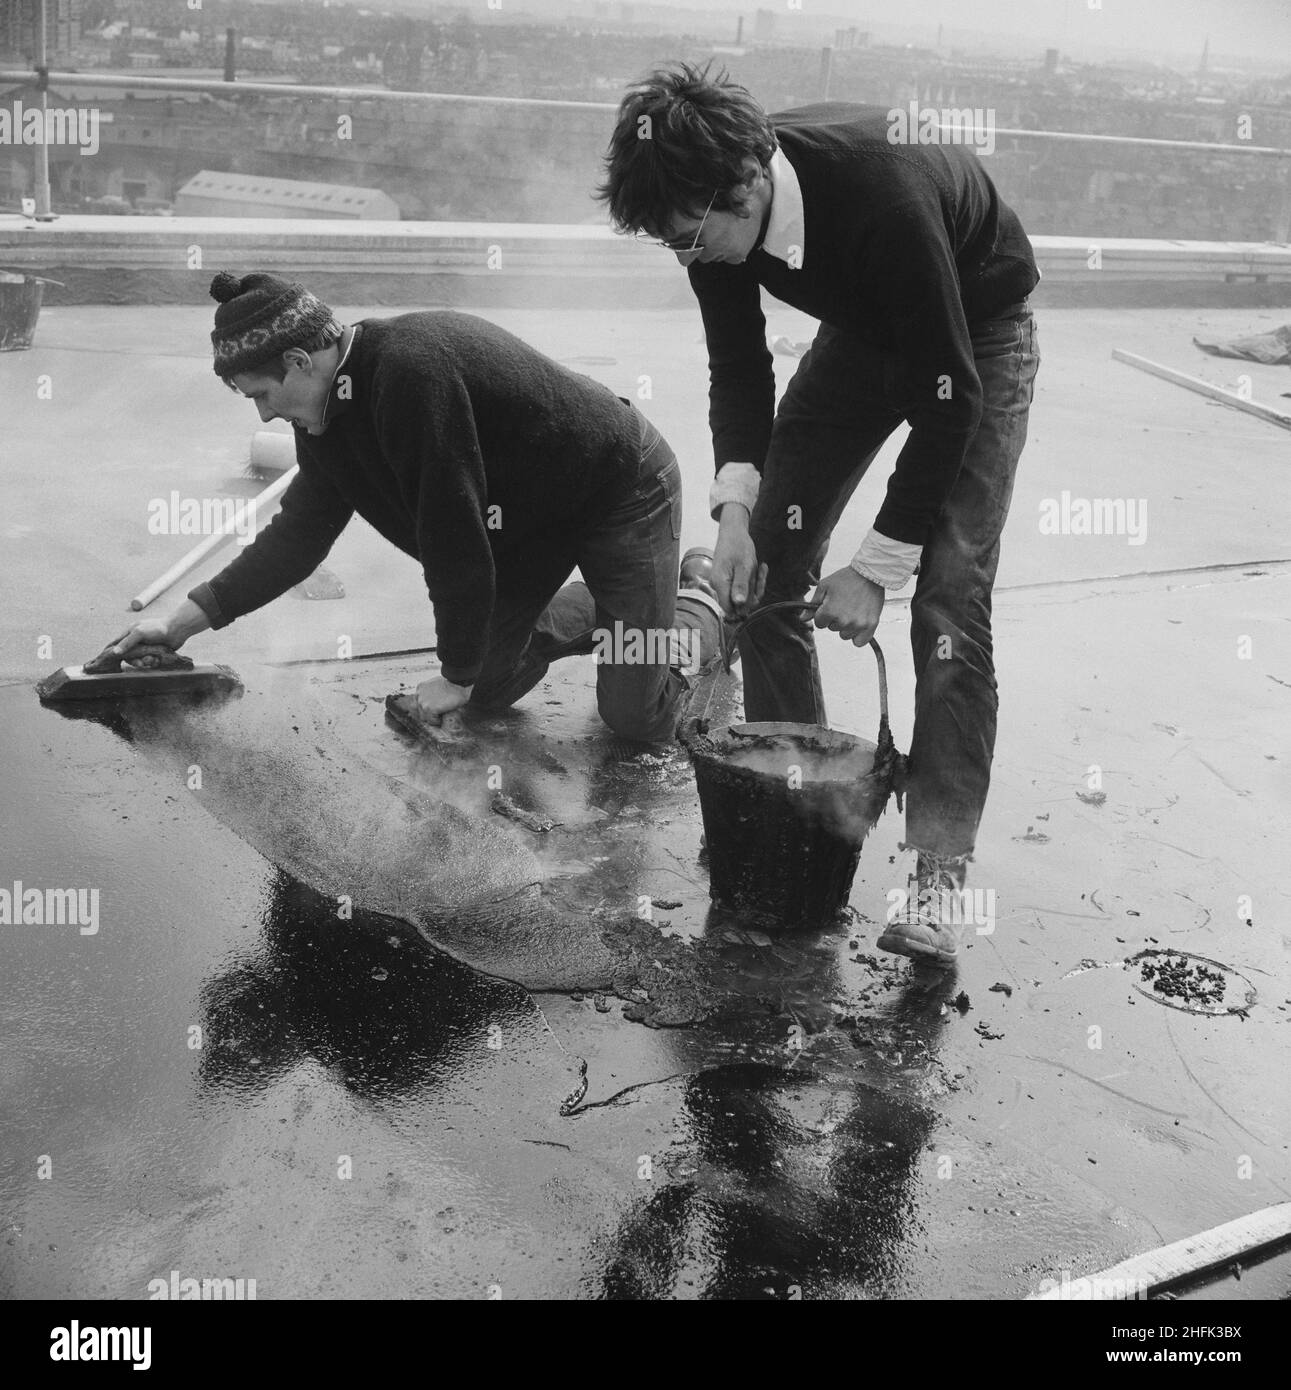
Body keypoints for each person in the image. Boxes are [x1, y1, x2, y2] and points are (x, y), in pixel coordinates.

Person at [598, 64, 1041, 966]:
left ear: (749, 184)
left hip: (974, 338)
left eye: (693, 238)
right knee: (765, 566)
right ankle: (798, 806)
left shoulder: (881, 194)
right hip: (859, 327)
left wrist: (876, 567)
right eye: (674, 245)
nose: (691, 257)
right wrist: (735, 510)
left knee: (949, 604)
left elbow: (947, 399)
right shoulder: (707, 213)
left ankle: (937, 873)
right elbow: (739, 364)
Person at [115, 271, 724, 742]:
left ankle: (700, 603)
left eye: (262, 394)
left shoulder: (411, 375)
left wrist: (451, 676)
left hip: (618, 487)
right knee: (487, 687)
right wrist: (180, 623)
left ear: (300, 361)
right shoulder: (325, 411)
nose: (265, 414)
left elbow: (453, 540)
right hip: (528, 519)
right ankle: (614, 605)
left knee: (634, 718)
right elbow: (297, 538)